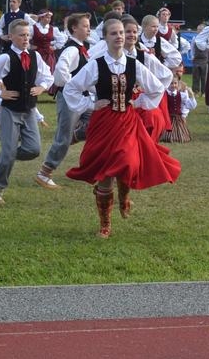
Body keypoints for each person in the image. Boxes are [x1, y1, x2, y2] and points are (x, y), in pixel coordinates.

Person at [63, 18, 181, 238]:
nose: (119, 37)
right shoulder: (96, 64)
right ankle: (105, 224)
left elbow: (156, 88)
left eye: (121, 33)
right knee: (106, 171)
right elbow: (71, 88)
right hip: (103, 122)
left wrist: (138, 102)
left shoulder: (134, 64)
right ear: (105, 37)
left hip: (127, 120)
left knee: (127, 161)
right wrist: (90, 104)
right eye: (114, 33)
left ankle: (124, 196)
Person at [0, 19, 54, 205]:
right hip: (10, 110)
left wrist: (42, 87)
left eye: (28, 35)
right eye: (21, 35)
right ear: (11, 37)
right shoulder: (6, 58)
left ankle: (8, 155)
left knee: (34, 149)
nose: (26, 38)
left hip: (29, 109)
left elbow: (47, 75)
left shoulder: (35, 56)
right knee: (8, 152)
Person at [35, 12, 94, 189]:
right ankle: (44, 173)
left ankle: (78, 141)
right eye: (85, 26)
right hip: (70, 99)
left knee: (97, 122)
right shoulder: (72, 49)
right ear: (74, 28)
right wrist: (72, 87)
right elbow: (60, 73)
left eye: (89, 26)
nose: (88, 29)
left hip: (81, 98)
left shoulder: (82, 48)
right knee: (63, 137)